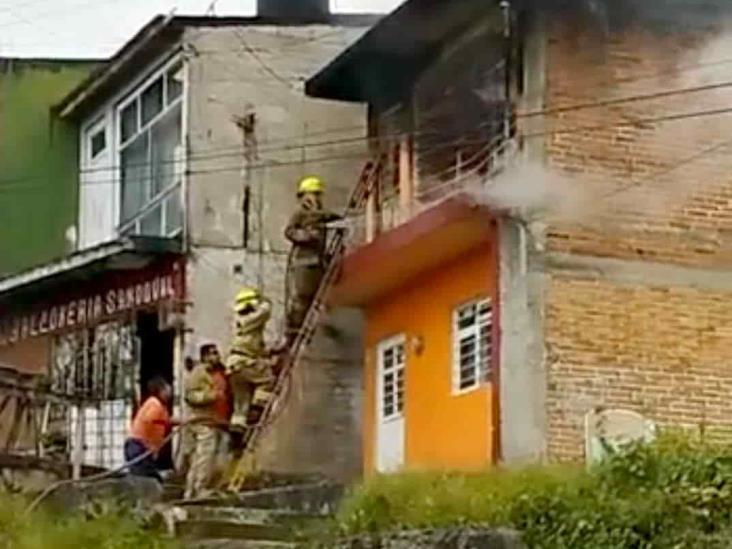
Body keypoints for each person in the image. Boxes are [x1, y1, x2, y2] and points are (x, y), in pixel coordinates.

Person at [284, 176, 342, 342]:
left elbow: (328, 217)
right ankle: (294, 331)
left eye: (318, 194)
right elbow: (289, 232)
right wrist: (306, 236)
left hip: (317, 262)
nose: (316, 198)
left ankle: (321, 329)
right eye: (313, 194)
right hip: (304, 263)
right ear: (304, 196)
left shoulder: (321, 215)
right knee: (303, 298)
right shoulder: (300, 214)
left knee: (320, 298)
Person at [225, 287, 279, 434]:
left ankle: (238, 427)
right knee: (267, 379)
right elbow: (266, 311)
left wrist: (269, 352)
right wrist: (263, 299)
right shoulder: (250, 319)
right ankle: (257, 410)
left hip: (234, 364)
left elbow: (253, 346)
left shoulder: (237, 322)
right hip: (244, 361)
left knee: (241, 401)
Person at [184, 344, 232, 499]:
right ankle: (199, 489)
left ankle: (193, 491)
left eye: (217, 353)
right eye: (213, 353)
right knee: (205, 455)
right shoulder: (199, 373)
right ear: (204, 356)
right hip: (202, 421)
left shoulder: (220, 372)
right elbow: (191, 396)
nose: (216, 356)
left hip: (217, 421)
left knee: (206, 457)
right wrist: (210, 396)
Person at [125, 376, 176, 483]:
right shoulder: (155, 404)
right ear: (161, 390)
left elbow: (165, 421)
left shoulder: (158, 406)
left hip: (139, 446)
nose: (170, 391)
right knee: (145, 480)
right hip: (139, 447)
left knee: (148, 478)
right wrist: (149, 445)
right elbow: (150, 419)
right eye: (167, 388)